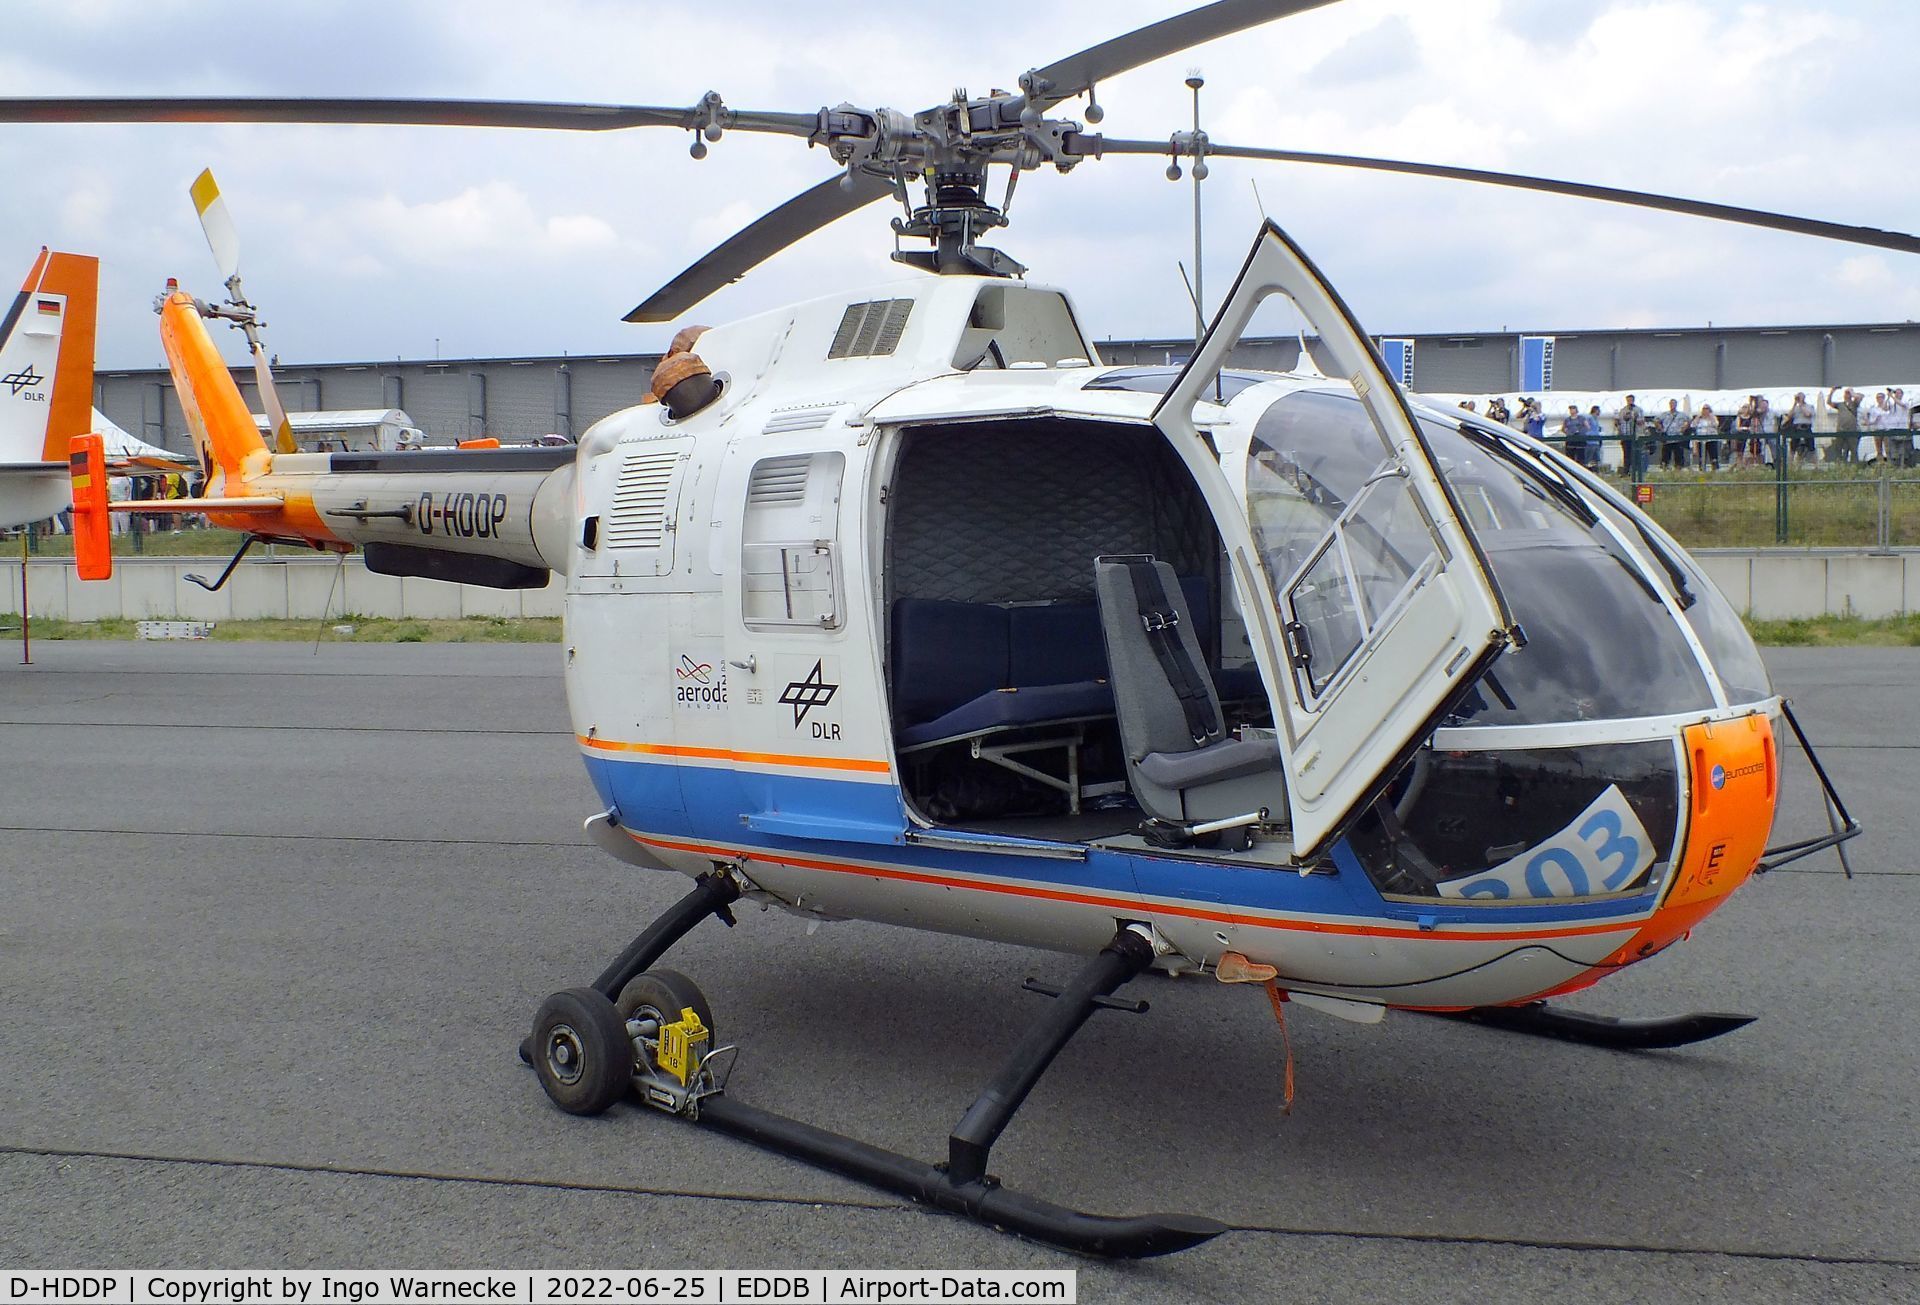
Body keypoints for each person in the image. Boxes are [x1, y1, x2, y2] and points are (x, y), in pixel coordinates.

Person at [1827, 386, 1861, 464]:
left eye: (1848, 393)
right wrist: (1832, 391)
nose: (1846, 395)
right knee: (1838, 449)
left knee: (1853, 450)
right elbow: (1829, 402)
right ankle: (1840, 465)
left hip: (1852, 431)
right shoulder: (1840, 404)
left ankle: (1854, 465)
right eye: (1846, 393)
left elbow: (1858, 397)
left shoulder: (1854, 404)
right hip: (1841, 430)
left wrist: (1851, 391)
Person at [1615, 394, 1644, 478]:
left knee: (1636, 454)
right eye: (1628, 400)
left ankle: (1636, 471)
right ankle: (1626, 471)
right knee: (1626, 454)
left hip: (1635, 436)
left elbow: (1641, 422)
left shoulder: (1638, 410)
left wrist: (1633, 417)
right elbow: (1619, 423)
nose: (1629, 401)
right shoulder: (1622, 410)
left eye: (1631, 400)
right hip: (1625, 435)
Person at [1784, 391, 1815, 463]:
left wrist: (1801, 405)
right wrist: (1794, 404)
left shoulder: (1810, 406)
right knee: (1793, 448)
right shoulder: (1795, 407)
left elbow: (1808, 414)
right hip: (1796, 428)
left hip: (1806, 428)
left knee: (1811, 448)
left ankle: (1816, 466)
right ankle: (1790, 465)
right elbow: (1789, 416)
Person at [1659, 399, 1689, 470]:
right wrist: (1660, 428)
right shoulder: (1664, 414)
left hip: (1678, 437)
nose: (1672, 405)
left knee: (1679, 457)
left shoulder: (1681, 414)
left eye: (1674, 404)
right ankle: (1665, 468)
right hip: (1667, 438)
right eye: (1671, 404)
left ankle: (1678, 470)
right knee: (1665, 457)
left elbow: (1689, 420)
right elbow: (1656, 420)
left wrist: (1684, 428)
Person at [1693, 404, 1722, 470]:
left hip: (1711, 439)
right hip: (1701, 439)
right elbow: (1693, 425)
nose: (1705, 410)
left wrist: (1711, 417)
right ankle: (1702, 468)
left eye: (1706, 409)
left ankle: (1714, 468)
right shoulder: (1699, 418)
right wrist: (1698, 417)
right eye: (1703, 409)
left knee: (1713, 455)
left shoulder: (1713, 418)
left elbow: (1716, 424)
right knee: (1702, 456)